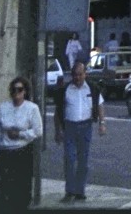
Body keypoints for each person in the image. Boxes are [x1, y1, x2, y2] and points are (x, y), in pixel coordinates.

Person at [53, 58, 106, 202]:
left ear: (85, 74)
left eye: (80, 74)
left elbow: (100, 105)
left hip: (85, 127)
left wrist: (102, 123)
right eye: (75, 75)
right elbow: (58, 113)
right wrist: (58, 131)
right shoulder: (66, 90)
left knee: (83, 161)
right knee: (69, 159)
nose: (77, 77)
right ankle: (69, 191)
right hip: (69, 127)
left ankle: (79, 191)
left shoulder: (92, 89)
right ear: (72, 75)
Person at [0, 76, 43, 210]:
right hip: (6, 152)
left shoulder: (32, 108)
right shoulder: (3, 108)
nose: (16, 93)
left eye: (19, 89)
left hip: (22, 152)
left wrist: (20, 134)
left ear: (25, 91)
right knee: (6, 189)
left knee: (22, 190)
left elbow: (38, 131)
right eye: (13, 90)